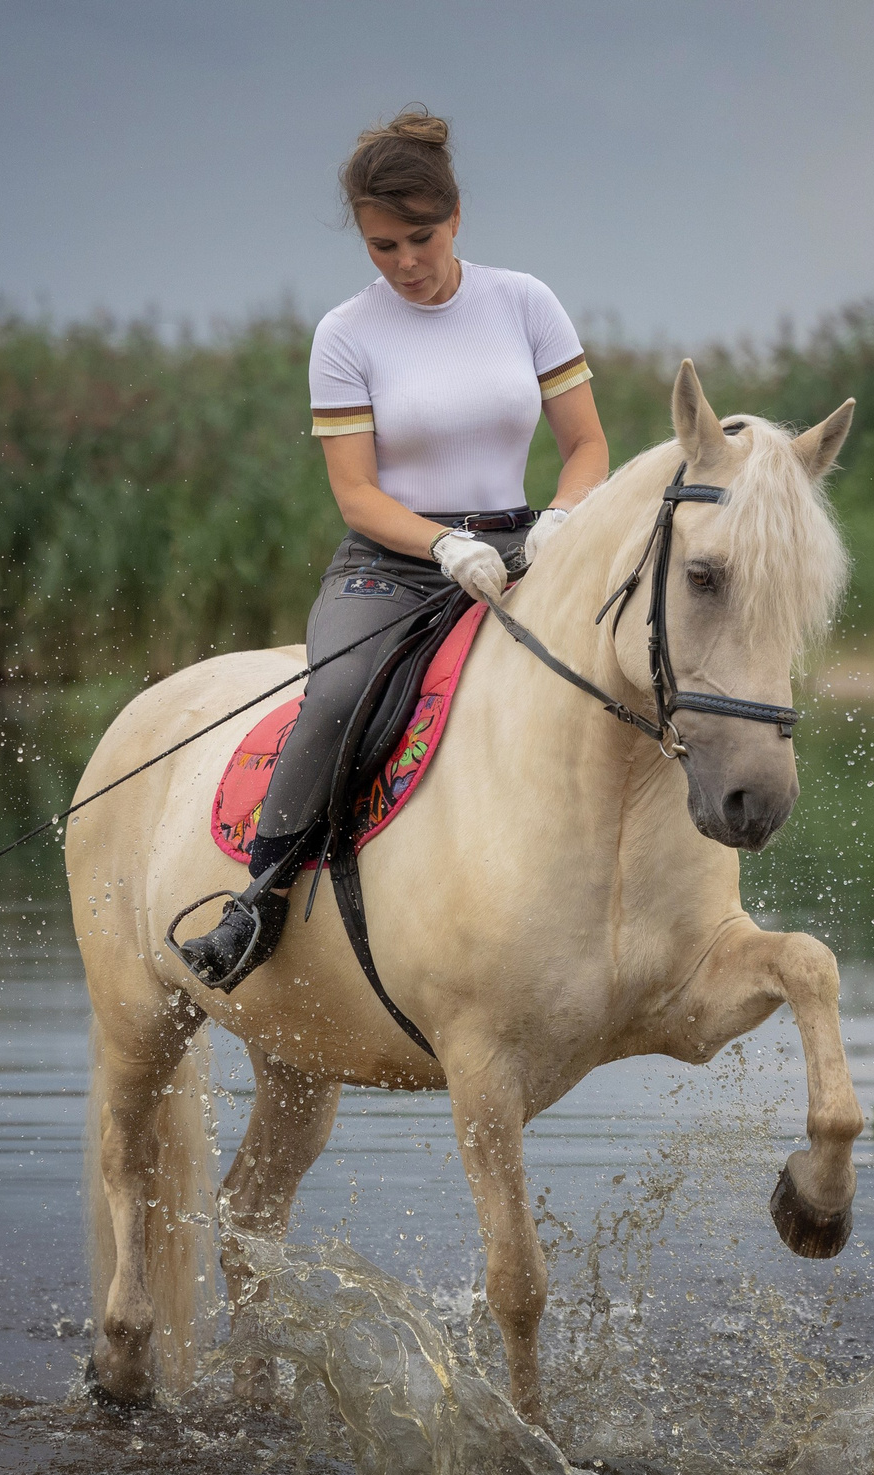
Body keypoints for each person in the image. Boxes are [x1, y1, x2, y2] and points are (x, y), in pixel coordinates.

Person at [177, 106, 611, 990]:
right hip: (394, 563)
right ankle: (257, 897)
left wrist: (564, 517)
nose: (406, 262)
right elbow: (357, 494)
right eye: (383, 247)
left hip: (526, 551)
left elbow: (588, 448)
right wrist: (445, 546)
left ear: (456, 218)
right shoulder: (346, 334)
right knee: (336, 693)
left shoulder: (524, 302)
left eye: (420, 237)